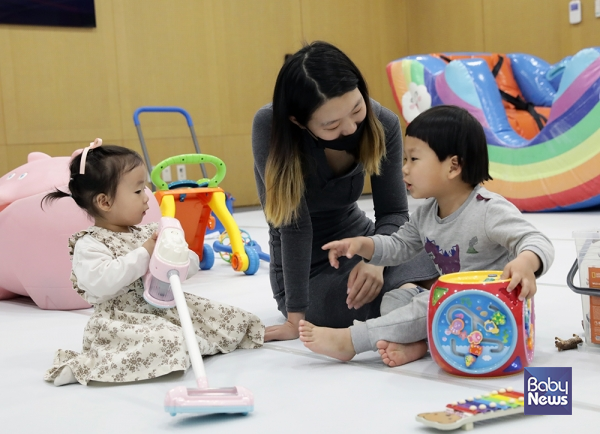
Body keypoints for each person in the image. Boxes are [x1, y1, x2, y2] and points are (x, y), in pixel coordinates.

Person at [299, 105, 555, 366]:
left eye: (414, 159)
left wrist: (525, 262)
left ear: (453, 166)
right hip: (455, 308)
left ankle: (352, 341)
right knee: (396, 299)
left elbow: (537, 241)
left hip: (489, 315)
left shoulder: (488, 209)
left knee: (426, 307)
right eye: (404, 160)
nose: (404, 169)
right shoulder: (426, 214)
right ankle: (421, 343)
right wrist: (362, 244)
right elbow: (397, 246)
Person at [251, 41, 440, 342]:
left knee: (448, 260)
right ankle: (414, 314)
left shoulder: (383, 122)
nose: (351, 128)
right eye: (332, 124)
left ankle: (410, 314)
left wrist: (377, 258)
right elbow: (294, 226)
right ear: (298, 121)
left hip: (363, 241)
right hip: (307, 268)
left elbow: (393, 212)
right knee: (372, 297)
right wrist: (294, 319)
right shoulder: (270, 126)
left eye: (356, 110)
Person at [42, 139, 264, 386]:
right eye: (137, 191)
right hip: (122, 321)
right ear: (104, 202)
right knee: (168, 340)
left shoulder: (147, 232)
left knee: (224, 315)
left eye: (145, 189)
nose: (147, 197)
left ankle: (250, 332)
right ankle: (87, 366)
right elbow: (100, 283)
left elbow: (188, 266)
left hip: (165, 307)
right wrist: (145, 252)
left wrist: (177, 251)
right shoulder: (91, 243)